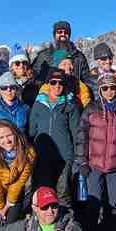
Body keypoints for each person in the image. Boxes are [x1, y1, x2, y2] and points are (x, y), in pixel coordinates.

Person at [75, 72, 116, 231]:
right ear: (100, 90)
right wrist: (82, 162)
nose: (109, 91)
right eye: (105, 88)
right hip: (94, 165)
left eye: (113, 88)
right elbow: (81, 137)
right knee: (93, 205)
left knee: (113, 206)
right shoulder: (91, 109)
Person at [29, 68, 81, 200]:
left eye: (61, 83)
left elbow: (76, 133)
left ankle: (66, 220)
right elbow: (31, 131)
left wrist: (76, 157)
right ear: (47, 84)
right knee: (43, 193)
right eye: (53, 82)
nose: (57, 86)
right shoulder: (38, 104)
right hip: (42, 157)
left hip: (64, 157)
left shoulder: (71, 105)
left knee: (63, 194)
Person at [85, 42, 116, 122]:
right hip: (98, 124)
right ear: (97, 60)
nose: (108, 61)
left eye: (110, 58)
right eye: (104, 59)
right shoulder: (88, 80)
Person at [29, 20, 91, 85]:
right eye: (59, 32)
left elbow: (86, 79)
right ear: (54, 34)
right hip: (49, 92)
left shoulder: (79, 56)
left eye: (66, 32)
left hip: (74, 92)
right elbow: (35, 77)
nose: (63, 34)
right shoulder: (43, 56)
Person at [9, 43, 40, 108]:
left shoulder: (36, 82)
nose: (21, 65)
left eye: (24, 62)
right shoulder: (7, 85)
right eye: (17, 63)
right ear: (11, 66)